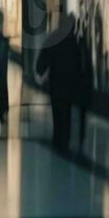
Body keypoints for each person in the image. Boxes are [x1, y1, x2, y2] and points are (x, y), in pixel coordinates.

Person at [36, 24, 86, 154]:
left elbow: (42, 61)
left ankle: (57, 139)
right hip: (69, 85)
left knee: (57, 112)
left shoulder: (53, 40)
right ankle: (65, 141)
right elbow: (79, 66)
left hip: (55, 84)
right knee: (66, 113)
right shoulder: (73, 43)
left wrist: (40, 71)